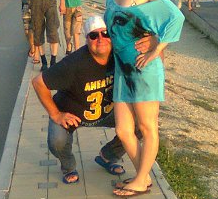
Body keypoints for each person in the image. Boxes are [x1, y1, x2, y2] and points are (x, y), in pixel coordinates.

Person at [98, 0, 184, 197]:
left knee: (147, 127)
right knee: (123, 130)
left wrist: (157, 45)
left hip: (144, 68)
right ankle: (143, 177)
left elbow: (175, 17)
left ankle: (140, 180)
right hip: (122, 71)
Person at [32, 16, 144, 184]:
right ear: (86, 39)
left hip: (107, 113)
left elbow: (143, 39)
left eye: (105, 33)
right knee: (57, 141)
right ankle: (68, 166)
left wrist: (153, 43)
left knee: (142, 124)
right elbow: (38, 82)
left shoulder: (120, 55)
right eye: (93, 35)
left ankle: (108, 156)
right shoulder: (74, 63)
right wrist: (56, 114)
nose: (100, 39)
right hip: (72, 115)